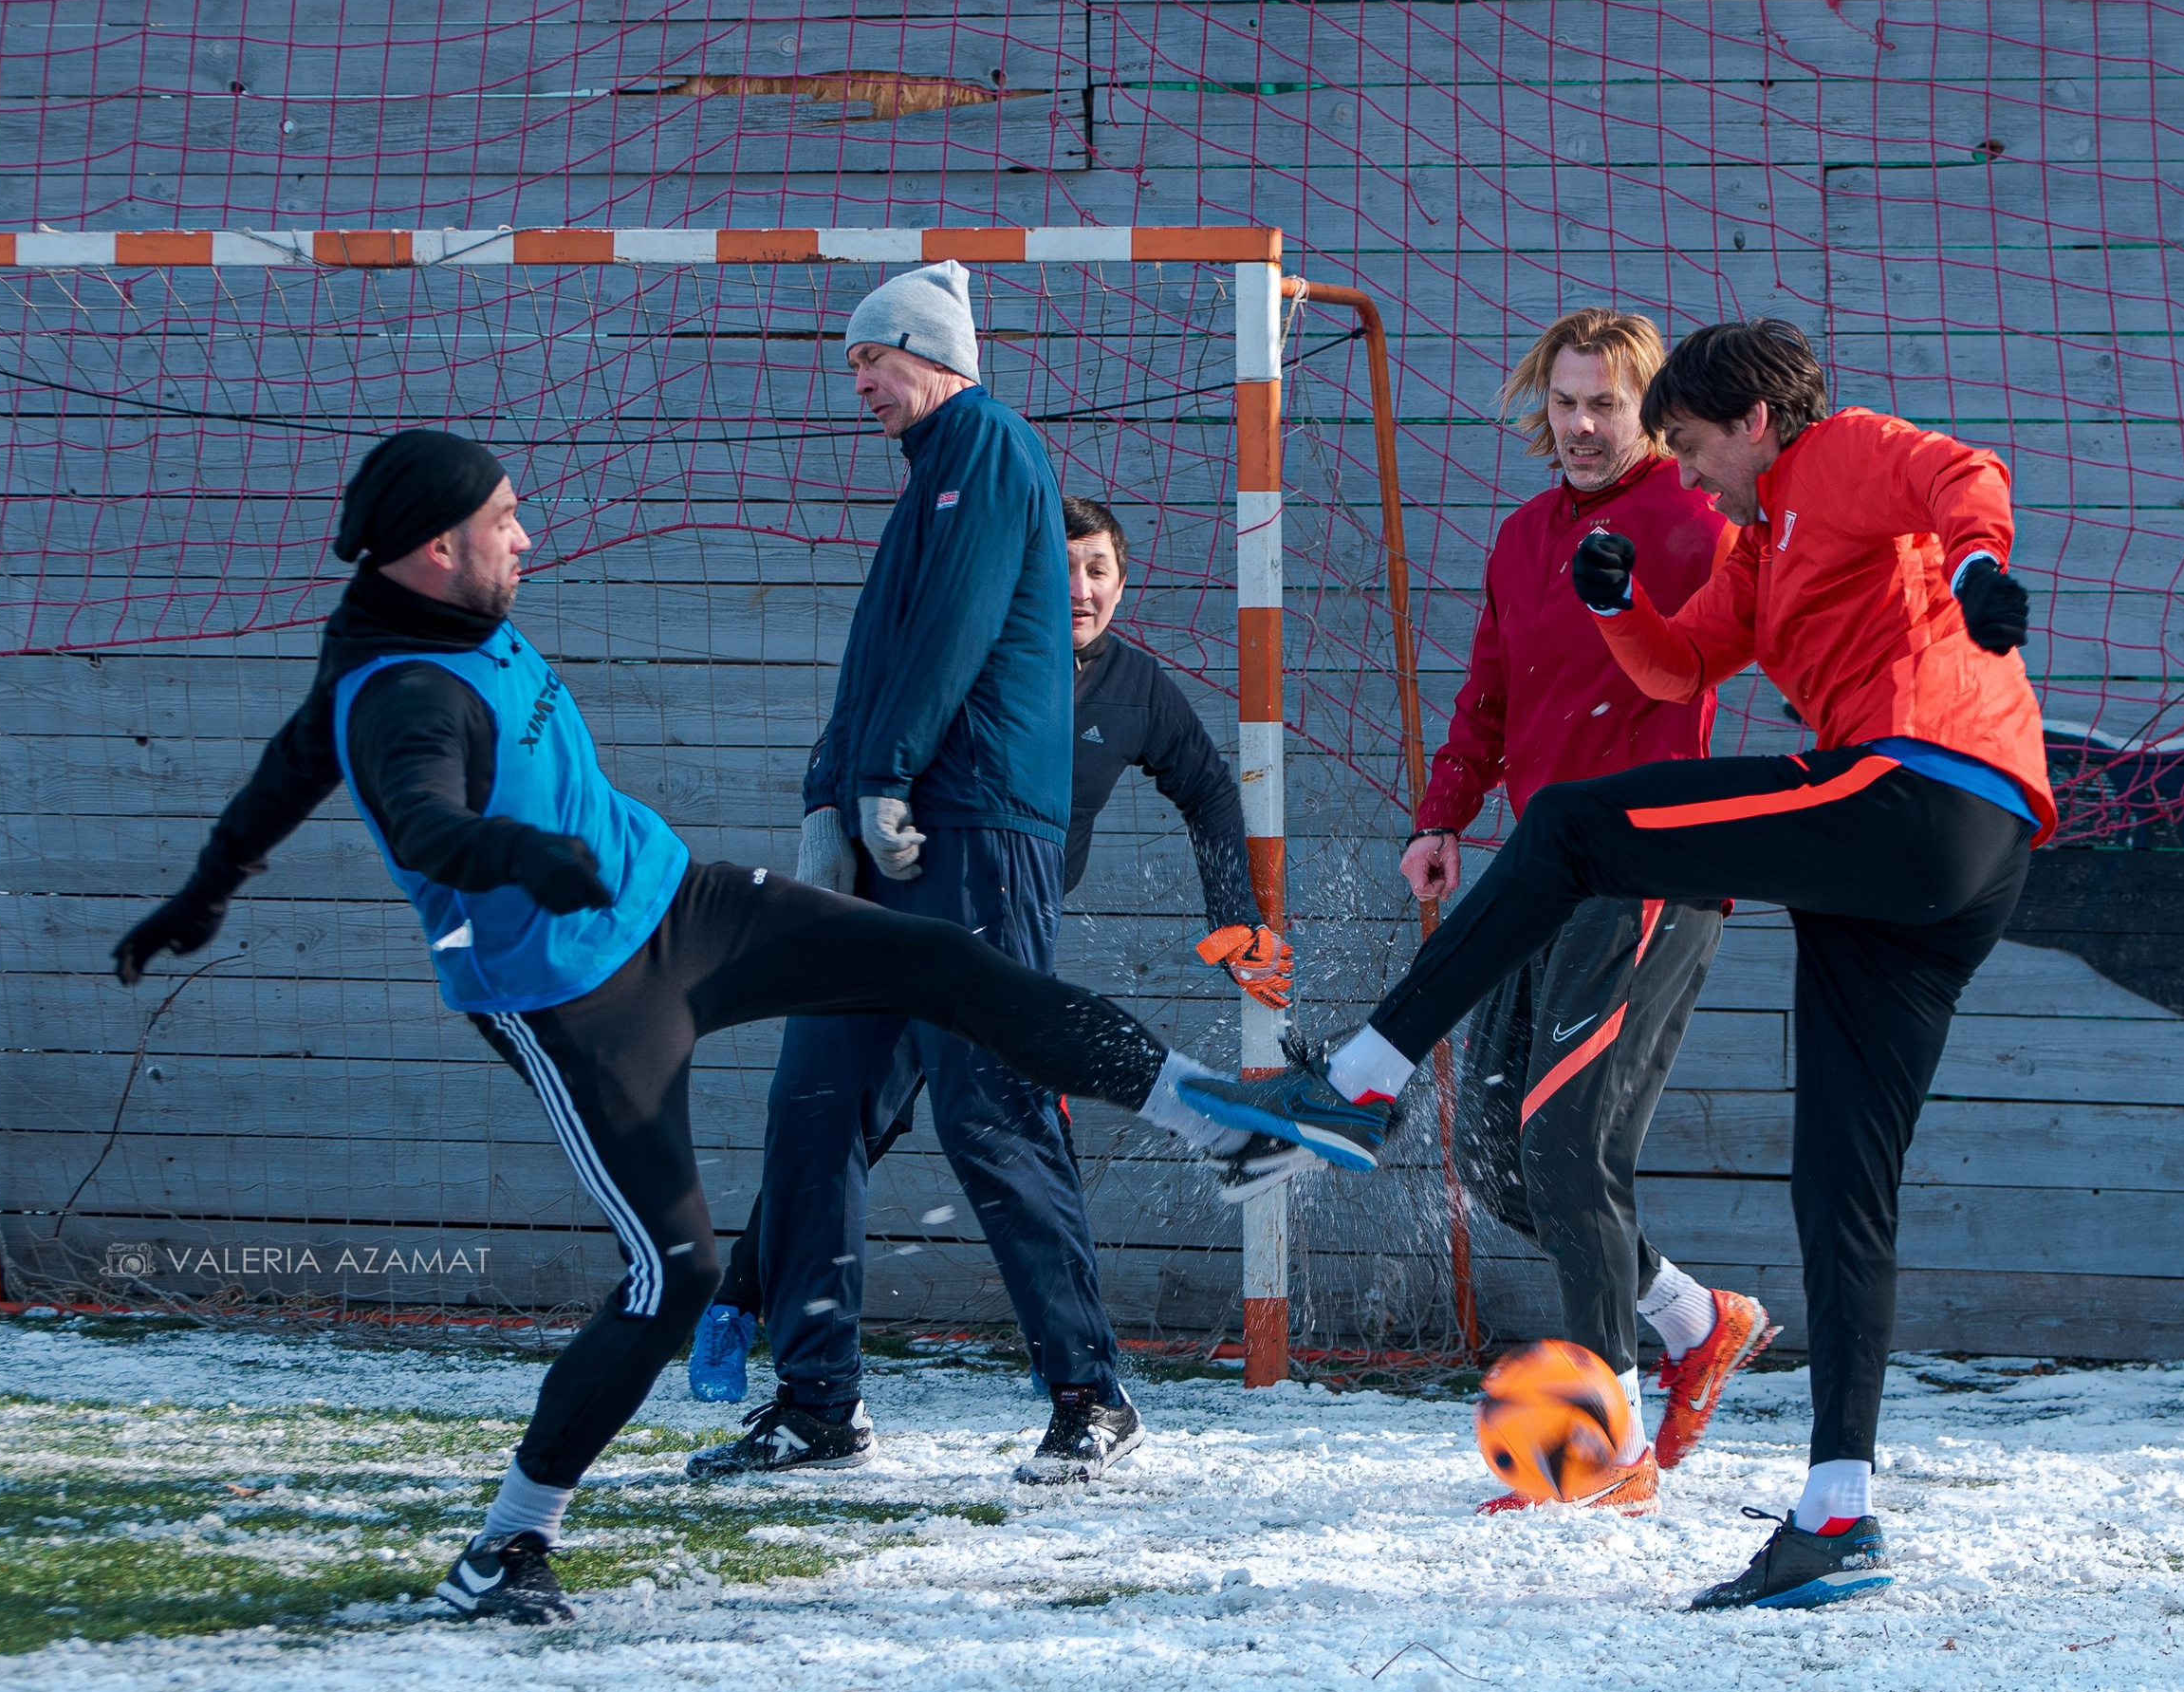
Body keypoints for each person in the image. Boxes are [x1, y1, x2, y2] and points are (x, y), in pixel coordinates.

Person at [110, 427, 1289, 1625]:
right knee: (676, 1272)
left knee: (945, 969)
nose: (527, 535)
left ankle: (1219, 1122)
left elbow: (288, 761)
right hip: (582, 1003)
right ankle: (511, 1543)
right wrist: (522, 856)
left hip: (685, 907)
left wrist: (203, 891)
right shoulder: (410, 692)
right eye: (503, 519)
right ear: (434, 549)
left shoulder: (420, 619)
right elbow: (420, 818)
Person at [1177, 320, 2044, 1612]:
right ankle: (1835, 1515)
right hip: (1948, 865)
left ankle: (1360, 1076)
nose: (1683, 473)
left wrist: (1976, 567)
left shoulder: (1835, 454)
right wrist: (1614, 603)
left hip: (1918, 791)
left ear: (1753, 423)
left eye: (1688, 444)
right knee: (1842, 1182)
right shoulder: (1758, 548)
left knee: (1573, 828)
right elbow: (1681, 660)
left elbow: (1964, 474)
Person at [691, 264, 1193, 1492]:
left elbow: (956, 627)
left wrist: (884, 773)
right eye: (853, 363)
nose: (858, 382)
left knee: (990, 1105)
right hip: (891, 832)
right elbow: (877, 658)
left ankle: (1091, 1394)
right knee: (814, 1107)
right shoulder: (926, 480)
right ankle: (818, 1403)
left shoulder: (991, 445)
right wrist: (829, 797)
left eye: (872, 357)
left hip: (970, 831)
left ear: (931, 351)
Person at [688, 492, 1289, 1404]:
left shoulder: (1136, 689)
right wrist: (826, 816)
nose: (1080, 588)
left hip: (1001, 942)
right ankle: (743, 1309)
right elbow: (858, 718)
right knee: (837, 1125)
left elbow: (1207, 791)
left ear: (1123, 584)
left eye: (1098, 570)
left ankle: (1076, 1374)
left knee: (1019, 1132)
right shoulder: (975, 659)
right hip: (885, 927)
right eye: (1062, 568)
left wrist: (1234, 923)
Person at [1406, 307, 1771, 1513]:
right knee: (1493, 1155)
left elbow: (1767, 627)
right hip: (1539, 872)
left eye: (1603, 404)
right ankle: (1695, 1320)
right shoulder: (1522, 537)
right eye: (1562, 402)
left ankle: (1610, 1451)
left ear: (1648, 411)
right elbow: (1489, 693)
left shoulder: (1695, 521)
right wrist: (1442, 817)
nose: (1577, 425)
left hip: (1647, 875)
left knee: (1568, 1146)